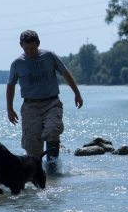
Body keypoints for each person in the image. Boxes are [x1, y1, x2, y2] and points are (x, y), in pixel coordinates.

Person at [6, 30, 83, 170]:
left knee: (53, 129)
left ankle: (53, 169)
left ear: (39, 44)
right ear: (21, 45)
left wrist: (77, 93)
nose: (30, 51)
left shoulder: (49, 56)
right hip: (30, 107)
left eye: (33, 48)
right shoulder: (17, 63)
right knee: (32, 148)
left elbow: (65, 73)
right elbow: (10, 86)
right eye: (26, 48)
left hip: (51, 104)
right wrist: (10, 109)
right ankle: (37, 177)